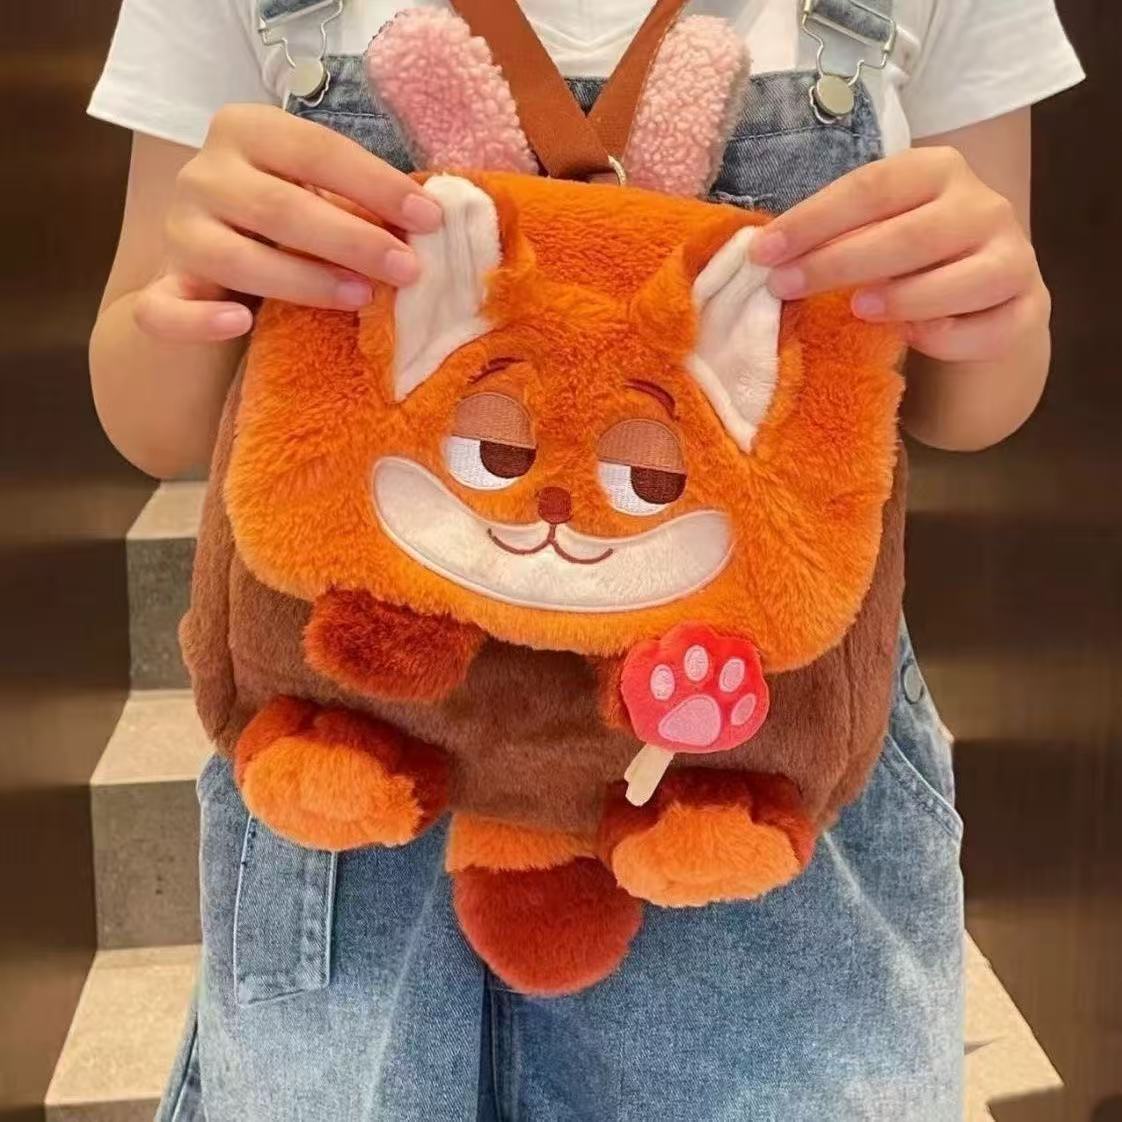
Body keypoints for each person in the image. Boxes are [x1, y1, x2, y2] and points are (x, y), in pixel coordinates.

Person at [88, 2, 1083, 1119]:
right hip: (351, 788)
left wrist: (996, 304)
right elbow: (150, 421)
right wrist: (196, 277)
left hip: (739, 790)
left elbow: (969, 404)